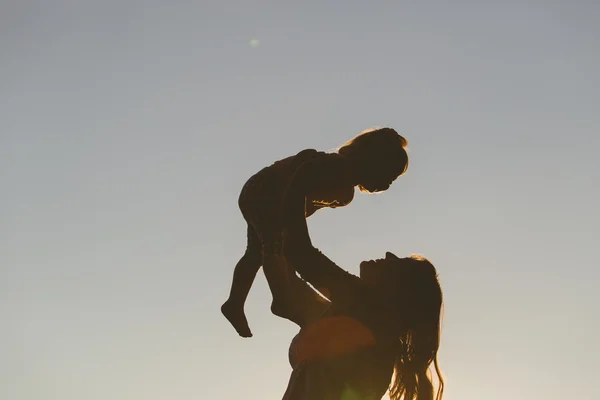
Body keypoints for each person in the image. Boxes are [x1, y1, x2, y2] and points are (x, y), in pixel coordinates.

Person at [222, 127, 409, 337]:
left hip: (267, 199)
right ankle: (281, 297)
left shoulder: (345, 193)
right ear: (371, 161)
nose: (387, 185)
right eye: (388, 176)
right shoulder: (332, 165)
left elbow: (304, 207)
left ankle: (234, 302)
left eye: (391, 181)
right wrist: (291, 233)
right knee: (273, 247)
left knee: (256, 253)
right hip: (264, 190)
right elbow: (299, 180)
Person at [272, 186, 445, 400]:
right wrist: (272, 237)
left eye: (398, 263)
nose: (389, 254)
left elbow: (300, 253)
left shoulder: (368, 303)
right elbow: (290, 294)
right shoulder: (365, 322)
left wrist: (296, 185)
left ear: (398, 290)